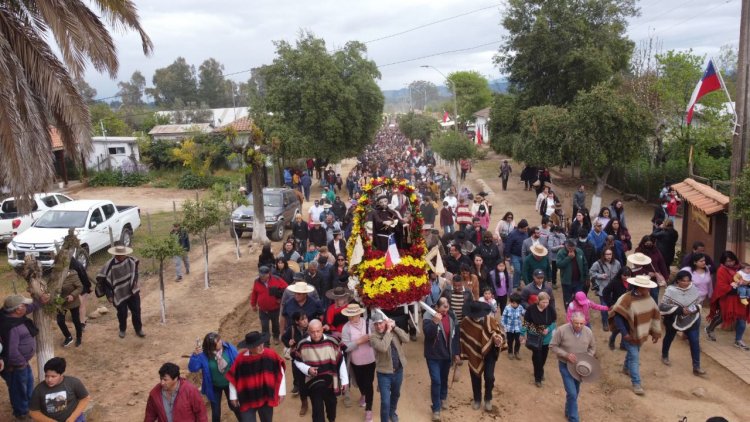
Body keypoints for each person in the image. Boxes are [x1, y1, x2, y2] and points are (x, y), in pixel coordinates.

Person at [608, 275, 662, 395]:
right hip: (630, 334)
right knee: (635, 357)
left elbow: (655, 313)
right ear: (639, 287)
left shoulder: (648, 298)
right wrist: (625, 334)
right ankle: (636, 383)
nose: (648, 290)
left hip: (640, 333)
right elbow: (617, 317)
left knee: (634, 352)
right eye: (646, 288)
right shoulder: (626, 299)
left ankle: (626, 369)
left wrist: (655, 332)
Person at [0, 294, 49, 419]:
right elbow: (12, 352)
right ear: (18, 310)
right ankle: (21, 414)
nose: (26, 307)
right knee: (18, 390)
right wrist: (21, 363)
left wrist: (39, 302)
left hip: (21, 364)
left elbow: (29, 308)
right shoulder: (11, 327)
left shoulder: (9, 315)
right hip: (15, 366)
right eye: (24, 305)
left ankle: (29, 408)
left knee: (27, 385)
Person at [293, 319, 348, 422]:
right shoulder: (302, 344)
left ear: (322, 330)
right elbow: (297, 361)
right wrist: (308, 369)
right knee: (317, 410)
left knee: (331, 405)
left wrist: (344, 380)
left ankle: (331, 419)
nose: (316, 334)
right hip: (314, 381)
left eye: (318, 331)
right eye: (312, 332)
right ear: (308, 331)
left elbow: (340, 360)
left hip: (331, 381)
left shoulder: (333, 341)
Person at [224, 332, 286, 422]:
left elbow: (280, 372)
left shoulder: (270, 355)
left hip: (265, 395)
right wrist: (233, 396)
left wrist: (281, 391)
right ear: (249, 347)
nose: (261, 347)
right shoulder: (240, 360)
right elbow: (234, 377)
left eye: (262, 343)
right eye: (257, 345)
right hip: (247, 397)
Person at [549, 312, 597, 422]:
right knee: (572, 392)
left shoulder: (588, 332)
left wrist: (587, 358)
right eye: (576, 323)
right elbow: (553, 346)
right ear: (571, 322)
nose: (579, 326)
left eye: (581, 323)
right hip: (565, 365)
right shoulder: (562, 330)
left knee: (575, 391)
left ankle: (568, 411)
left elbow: (593, 347)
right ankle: (574, 418)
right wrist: (566, 355)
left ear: (585, 322)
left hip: (580, 368)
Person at [459, 301, 505, 412]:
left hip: (489, 352)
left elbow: (499, 333)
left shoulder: (490, 320)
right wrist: (458, 354)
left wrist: (497, 340)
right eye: (474, 315)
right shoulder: (465, 322)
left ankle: (488, 398)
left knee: (489, 377)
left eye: (478, 315)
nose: (476, 317)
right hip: (474, 353)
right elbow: (462, 338)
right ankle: (477, 399)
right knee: (475, 377)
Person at [659, 270, 706, 376]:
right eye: (683, 281)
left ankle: (696, 367)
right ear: (678, 281)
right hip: (673, 318)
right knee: (669, 337)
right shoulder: (670, 290)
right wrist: (680, 310)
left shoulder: (694, 289)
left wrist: (691, 309)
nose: (686, 283)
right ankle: (664, 355)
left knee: (694, 341)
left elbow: (699, 303)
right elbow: (663, 306)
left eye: (688, 281)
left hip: (692, 318)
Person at [189, 332, 241, 422]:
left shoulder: (228, 348)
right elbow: (193, 368)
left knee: (235, 406)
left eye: (220, 339)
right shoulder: (204, 355)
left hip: (230, 384)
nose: (220, 342)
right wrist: (195, 356)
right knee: (216, 412)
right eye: (217, 341)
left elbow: (238, 361)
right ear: (211, 346)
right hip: (214, 386)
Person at [95, 244, 145, 339]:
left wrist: (134, 281)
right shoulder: (109, 266)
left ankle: (138, 329)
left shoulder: (131, 261)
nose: (123, 256)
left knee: (136, 311)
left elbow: (135, 273)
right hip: (118, 294)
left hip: (132, 291)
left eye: (124, 254)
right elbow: (105, 282)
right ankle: (122, 329)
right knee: (122, 313)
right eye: (121, 255)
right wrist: (109, 295)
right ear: (116, 255)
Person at [423, 297, 460, 422]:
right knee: (436, 381)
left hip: (446, 356)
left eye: (447, 304)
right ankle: (436, 409)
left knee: (444, 379)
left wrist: (456, 353)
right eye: (443, 305)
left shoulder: (451, 316)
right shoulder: (428, 316)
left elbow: (455, 336)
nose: (446, 307)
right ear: (437, 307)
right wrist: (434, 322)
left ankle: (443, 397)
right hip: (433, 356)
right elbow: (428, 334)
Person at [369, 312, 409, 422]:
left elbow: (406, 338)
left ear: (385, 322)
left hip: (398, 371)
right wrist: (388, 331)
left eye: (380, 323)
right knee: (385, 401)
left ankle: (392, 412)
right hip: (384, 374)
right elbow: (383, 347)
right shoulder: (373, 337)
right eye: (376, 324)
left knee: (396, 394)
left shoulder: (393, 330)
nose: (378, 326)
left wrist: (395, 327)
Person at [707, 251, 750, 349]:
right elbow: (722, 286)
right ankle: (710, 329)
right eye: (728, 261)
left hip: (740, 298)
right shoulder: (721, 270)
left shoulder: (741, 268)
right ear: (723, 261)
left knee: (742, 318)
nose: (730, 263)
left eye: (732, 260)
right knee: (722, 317)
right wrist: (736, 289)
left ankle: (738, 340)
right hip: (727, 297)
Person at [341, 304, 376, 422]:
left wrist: (372, 339)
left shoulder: (369, 323)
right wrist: (360, 341)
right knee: (360, 382)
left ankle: (369, 410)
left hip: (370, 359)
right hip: (356, 361)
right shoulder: (346, 328)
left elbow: (377, 336)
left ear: (359, 314)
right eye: (349, 316)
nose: (351, 318)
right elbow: (346, 347)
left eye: (353, 315)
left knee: (369, 383)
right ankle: (363, 394)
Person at [29, 357, 90, 422]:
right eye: (46, 376)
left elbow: (85, 398)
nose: (49, 380)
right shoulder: (39, 390)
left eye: (53, 376)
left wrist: (73, 417)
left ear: (61, 374)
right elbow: (33, 412)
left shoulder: (73, 383)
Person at [522, 292, 557, 388]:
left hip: (546, 338)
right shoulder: (531, 309)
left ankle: (540, 370)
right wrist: (522, 333)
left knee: (543, 357)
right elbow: (526, 322)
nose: (545, 304)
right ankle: (538, 378)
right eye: (543, 302)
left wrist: (548, 329)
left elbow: (554, 323)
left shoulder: (550, 309)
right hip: (534, 336)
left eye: (547, 302)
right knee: (537, 357)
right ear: (538, 301)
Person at [251, 266, 288, 347]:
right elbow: (254, 293)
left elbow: (286, 288)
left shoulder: (276, 279)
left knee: (275, 324)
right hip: (263, 310)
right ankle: (266, 342)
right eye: (260, 275)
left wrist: (280, 297)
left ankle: (275, 336)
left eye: (264, 275)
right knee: (264, 326)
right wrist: (253, 304)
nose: (262, 277)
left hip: (275, 308)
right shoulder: (256, 281)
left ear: (269, 274)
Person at [588, 247, 621, 331]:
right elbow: (591, 272)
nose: (609, 256)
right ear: (603, 255)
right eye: (607, 254)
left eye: (610, 254)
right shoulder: (597, 264)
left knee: (615, 305)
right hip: (603, 289)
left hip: (614, 289)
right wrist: (600, 276)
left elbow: (620, 274)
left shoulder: (617, 263)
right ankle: (605, 322)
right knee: (604, 305)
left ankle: (614, 321)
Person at [602, 266, 633, 350]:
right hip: (618, 308)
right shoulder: (615, 282)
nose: (626, 277)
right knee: (618, 326)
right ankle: (612, 339)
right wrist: (610, 304)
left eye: (629, 275)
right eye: (624, 275)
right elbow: (605, 292)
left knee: (627, 326)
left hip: (629, 308)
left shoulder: (632, 283)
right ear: (620, 275)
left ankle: (623, 345)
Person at [57, 266, 84, 347]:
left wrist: (73, 295)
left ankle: (79, 337)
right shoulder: (56, 276)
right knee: (60, 321)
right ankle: (68, 337)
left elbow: (80, 287)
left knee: (76, 320)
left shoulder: (73, 275)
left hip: (73, 301)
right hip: (61, 302)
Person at [557, 239, 588, 307]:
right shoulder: (561, 253)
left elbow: (585, 264)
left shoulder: (579, 251)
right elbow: (559, 265)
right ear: (566, 245)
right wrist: (568, 258)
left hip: (579, 281)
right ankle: (569, 314)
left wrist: (587, 277)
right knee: (568, 300)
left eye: (573, 247)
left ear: (575, 246)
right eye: (569, 248)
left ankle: (579, 313)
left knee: (579, 298)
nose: (571, 249)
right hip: (567, 282)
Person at [504, 219, 529, 289]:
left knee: (521, 271)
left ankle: (518, 283)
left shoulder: (526, 234)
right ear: (520, 228)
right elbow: (508, 245)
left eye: (526, 229)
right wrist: (507, 255)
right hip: (514, 255)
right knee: (517, 270)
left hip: (524, 255)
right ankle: (515, 285)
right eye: (524, 229)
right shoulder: (512, 234)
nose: (526, 230)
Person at [502, 293, 525, 360]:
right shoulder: (507, 308)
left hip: (518, 328)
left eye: (516, 303)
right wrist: (504, 326)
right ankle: (510, 352)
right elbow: (504, 317)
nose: (514, 304)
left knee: (518, 341)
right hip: (509, 329)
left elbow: (524, 313)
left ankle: (516, 352)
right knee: (510, 341)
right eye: (513, 303)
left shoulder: (520, 307)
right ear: (510, 302)